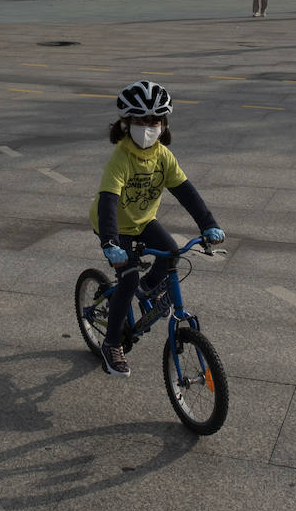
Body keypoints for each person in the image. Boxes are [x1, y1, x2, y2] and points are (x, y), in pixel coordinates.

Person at [89, 80, 225, 376]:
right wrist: (110, 243)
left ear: (163, 123)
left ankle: (146, 288)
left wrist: (209, 224)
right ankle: (112, 344)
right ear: (127, 123)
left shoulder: (163, 155)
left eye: (154, 120)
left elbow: (186, 191)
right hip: (114, 227)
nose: (148, 126)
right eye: (141, 120)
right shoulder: (121, 158)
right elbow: (108, 201)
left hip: (143, 220)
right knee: (126, 278)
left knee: (172, 252)